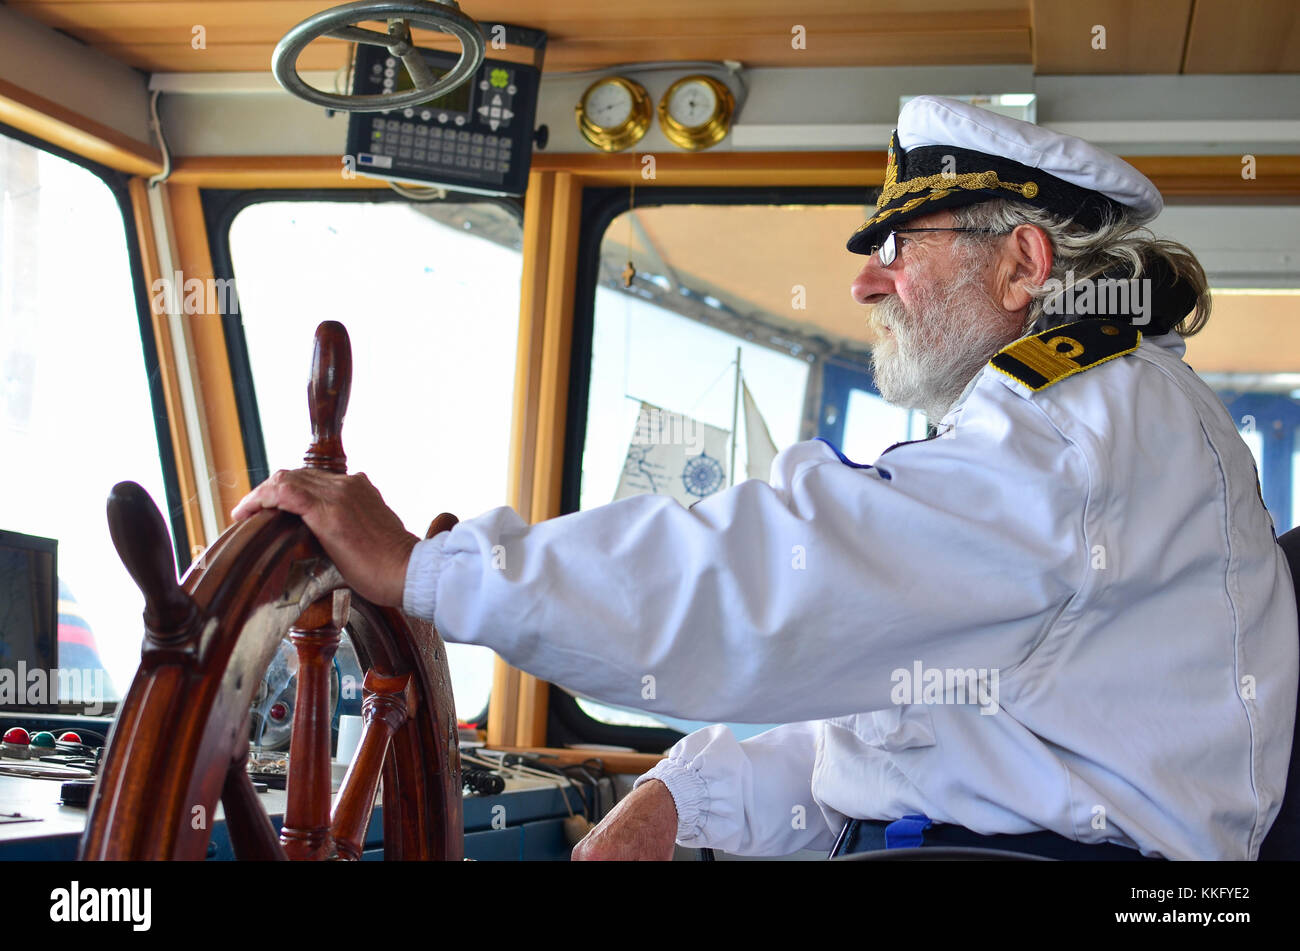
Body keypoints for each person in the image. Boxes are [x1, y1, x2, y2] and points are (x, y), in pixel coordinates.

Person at [232, 96, 1298, 861]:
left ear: (1023, 264)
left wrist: (433, 573)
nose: (865, 277)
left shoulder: (1077, 422)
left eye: (901, 240)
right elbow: (909, 723)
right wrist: (681, 798)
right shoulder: (1084, 414)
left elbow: (792, 584)